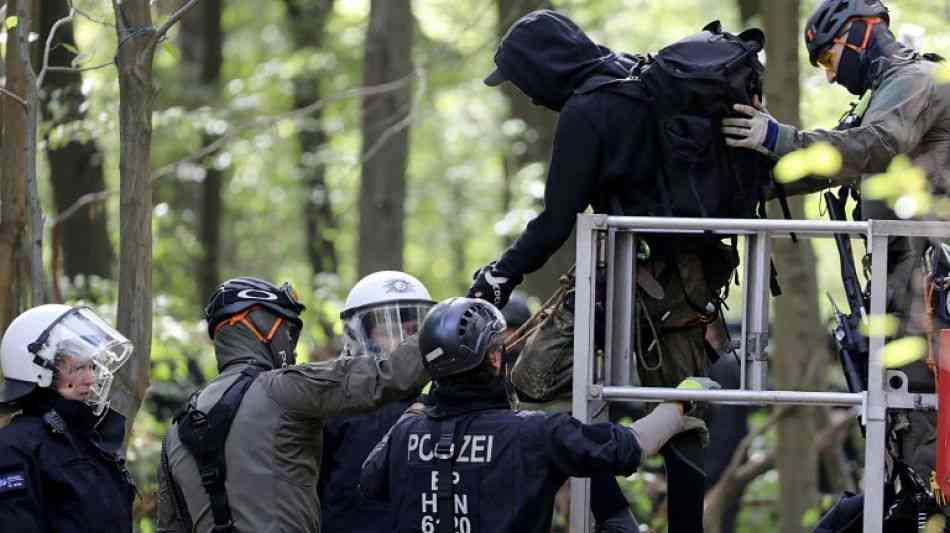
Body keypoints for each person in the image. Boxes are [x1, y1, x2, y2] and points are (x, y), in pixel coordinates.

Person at [469, 10, 742, 531]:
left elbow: (555, 220)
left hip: (632, 277)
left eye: (524, 80)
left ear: (543, 66)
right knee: (680, 413)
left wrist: (501, 276)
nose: (526, 94)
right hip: (690, 278)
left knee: (533, 381)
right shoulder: (635, 80)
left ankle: (614, 514)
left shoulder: (587, 109)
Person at [360, 297, 717, 533]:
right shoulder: (534, 433)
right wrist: (678, 404)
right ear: (495, 359)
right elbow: (627, 447)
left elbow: (370, 481)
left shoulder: (406, 431)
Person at [156, 277, 428, 533]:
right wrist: (458, 317)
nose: (293, 346)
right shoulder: (284, 390)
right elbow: (391, 374)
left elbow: (170, 526)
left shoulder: (177, 429)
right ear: (262, 329)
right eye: (290, 330)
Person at [0, 304, 137, 532]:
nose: (90, 379)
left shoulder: (87, 440)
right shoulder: (13, 448)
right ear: (41, 374)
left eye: (92, 366)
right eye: (78, 368)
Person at [319, 271, 436, 533]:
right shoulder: (333, 405)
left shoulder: (441, 403)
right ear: (362, 338)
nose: (406, 342)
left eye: (414, 331)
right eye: (389, 330)